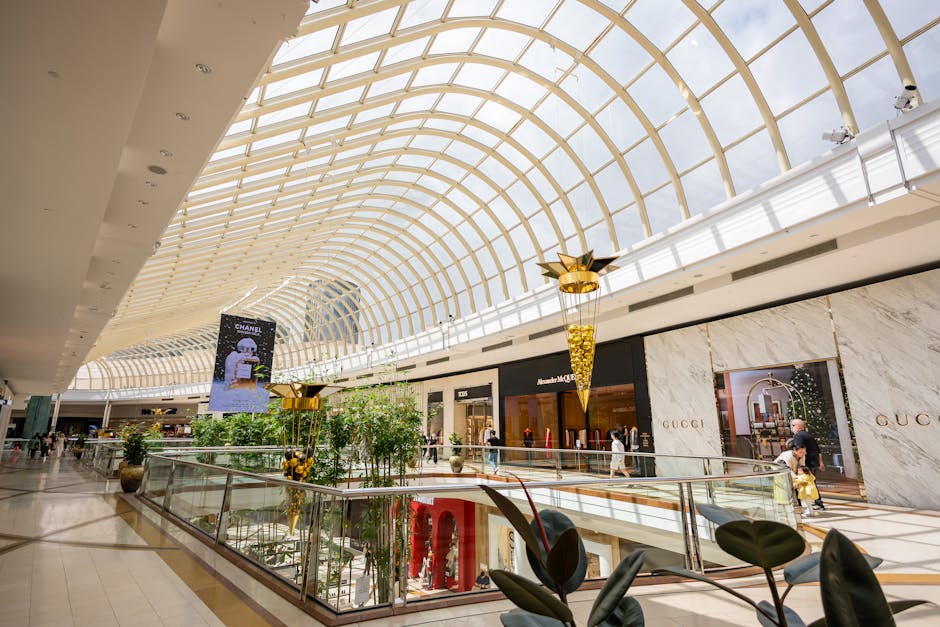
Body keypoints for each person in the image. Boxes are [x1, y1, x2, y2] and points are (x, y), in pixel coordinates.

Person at [791, 419, 825, 510]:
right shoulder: (809, 435)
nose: (792, 427)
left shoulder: (798, 436)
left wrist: (797, 464)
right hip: (814, 462)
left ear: (798, 426)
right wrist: (820, 462)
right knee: (811, 482)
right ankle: (817, 502)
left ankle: (805, 504)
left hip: (806, 463)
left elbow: (799, 450)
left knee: (802, 482)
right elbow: (818, 450)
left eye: (793, 425)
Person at [773, 444, 806, 508]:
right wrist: (796, 479)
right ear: (795, 451)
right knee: (785, 490)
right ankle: (787, 506)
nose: (802, 454)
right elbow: (788, 470)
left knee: (796, 487)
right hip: (780, 472)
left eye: (804, 452)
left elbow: (802, 466)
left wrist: (803, 476)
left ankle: (798, 505)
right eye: (801, 452)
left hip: (791, 472)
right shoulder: (788, 457)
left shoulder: (802, 455)